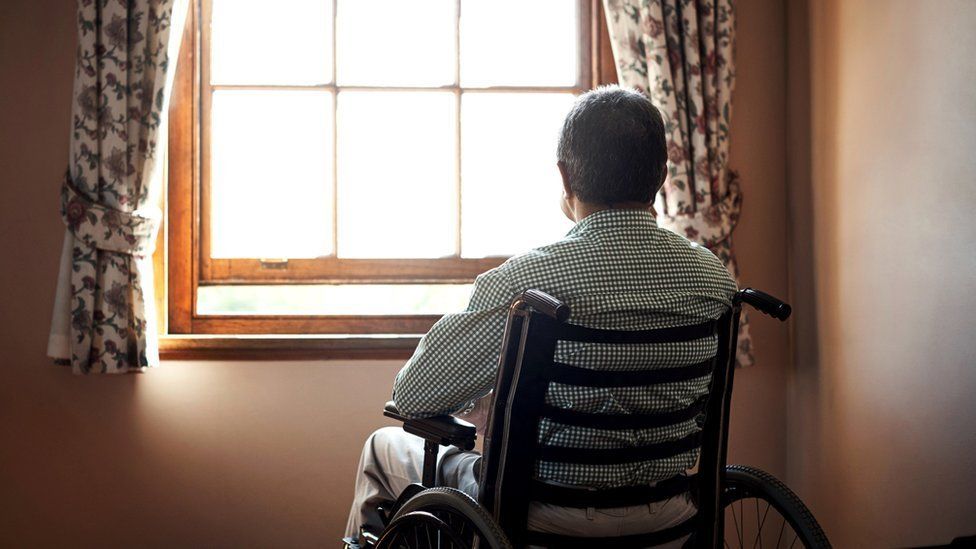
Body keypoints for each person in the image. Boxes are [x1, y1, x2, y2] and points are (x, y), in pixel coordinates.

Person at [344, 85, 737, 546]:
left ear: (566, 176)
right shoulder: (713, 277)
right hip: (669, 520)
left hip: (540, 521)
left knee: (382, 445)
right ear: (662, 175)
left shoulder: (528, 282)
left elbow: (414, 397)